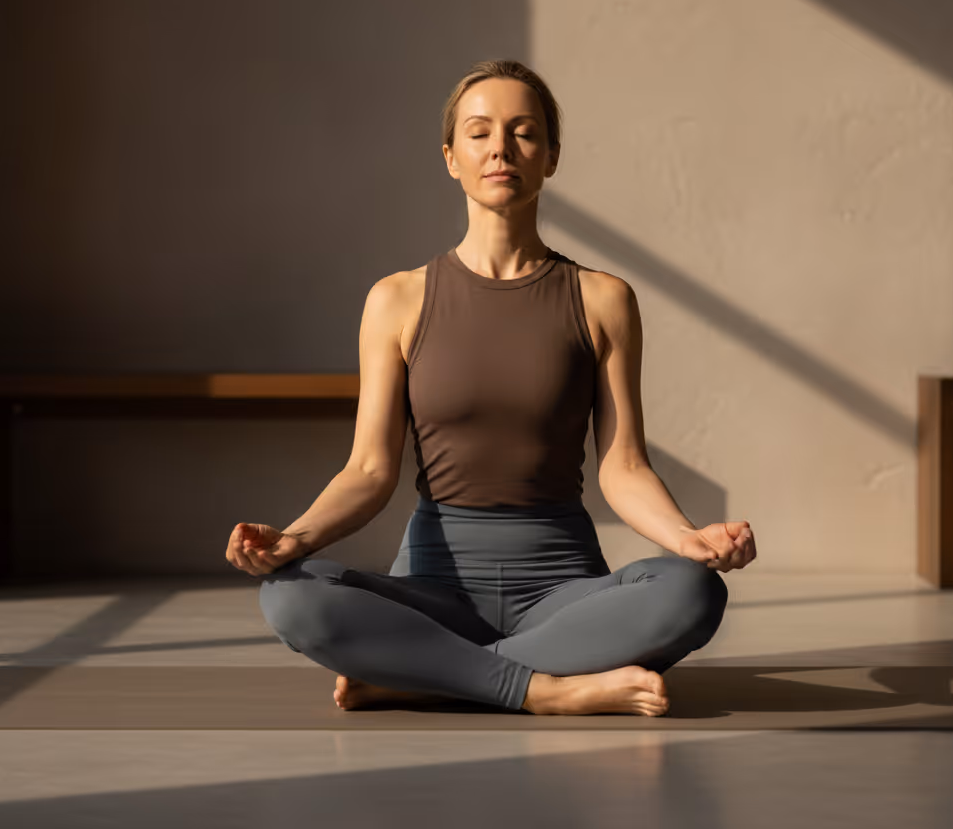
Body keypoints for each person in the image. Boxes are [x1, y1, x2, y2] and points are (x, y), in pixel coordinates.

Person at [225, 59, 757, 717]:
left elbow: (623, 466)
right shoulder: (398, 300)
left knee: (693, 593)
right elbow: (367, 470)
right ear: (451, 157)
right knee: (289, 594)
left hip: (563, 591)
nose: (500, 147)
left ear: (551, 157)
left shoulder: (603, 299)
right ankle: (546, 690)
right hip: (436, 592)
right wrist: (294, 540)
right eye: (479, 133)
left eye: (523, 131)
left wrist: (689, 540)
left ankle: (420, 675)